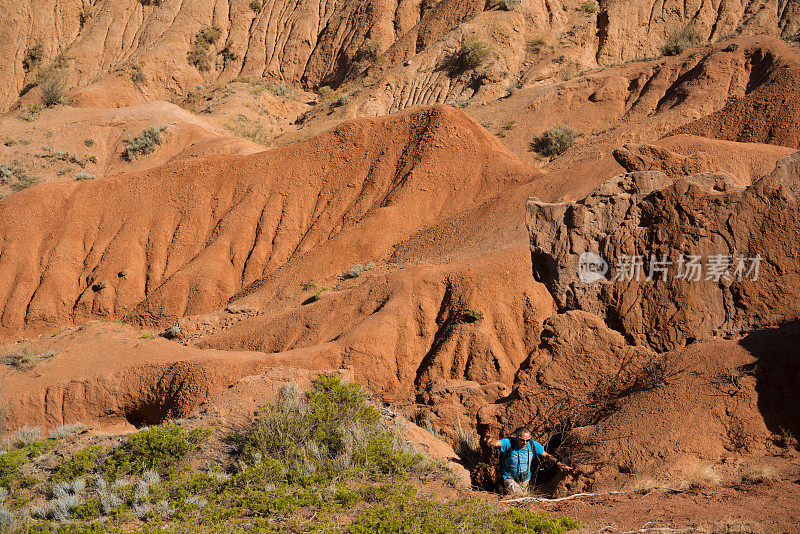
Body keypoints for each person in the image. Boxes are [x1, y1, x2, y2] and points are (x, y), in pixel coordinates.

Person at [485, 427, 572, 494]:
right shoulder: (509, 442)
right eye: (522, 440)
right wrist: (490, 440)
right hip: (509, 478)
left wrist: (558, 463)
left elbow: (546, 455)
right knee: (518, 496)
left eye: (527, 440)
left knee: (524, 499)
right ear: (516, 437)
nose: (525, 443)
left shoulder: (532, 444)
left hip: (525, 479)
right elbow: (497, 443)